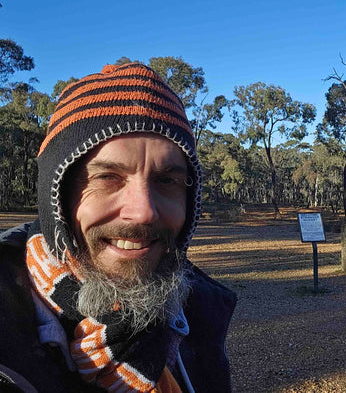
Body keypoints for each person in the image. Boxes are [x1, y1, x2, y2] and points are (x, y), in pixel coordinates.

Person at [0, 63, 237, 392]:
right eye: (107, 177)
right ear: (56, 195)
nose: (143, 213)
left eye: (167, 180)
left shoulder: (192, 309)